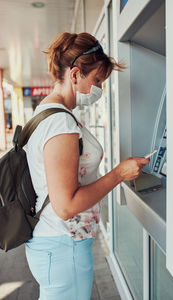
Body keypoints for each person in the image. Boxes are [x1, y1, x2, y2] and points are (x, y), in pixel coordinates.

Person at [25, 32, 150, 300]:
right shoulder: (60, 124)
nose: (99, 89)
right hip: (63, 245)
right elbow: (66, 205)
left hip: (55, 243)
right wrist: (118, 174)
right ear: (75, 75)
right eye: (97, 80)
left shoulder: (48, 114)